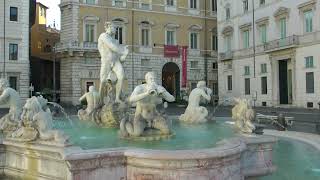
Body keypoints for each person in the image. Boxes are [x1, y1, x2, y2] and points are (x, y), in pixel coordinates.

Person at [121, 72, 175, 136]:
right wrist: (146, 93)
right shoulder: (140, 88)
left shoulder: (159, 88)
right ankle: (126, 123)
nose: (153, 80)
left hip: (154, 117)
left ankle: (149, 131)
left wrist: (163, 93)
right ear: (146, 80)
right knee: (136, 134)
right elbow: (131, 99)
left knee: (167, 131)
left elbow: (172, 99)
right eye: (151, 79)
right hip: (141, 117)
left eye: (154, 79)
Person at [98, 21, 129, 104]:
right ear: (109, 27)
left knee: (121, 77)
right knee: (103, 81)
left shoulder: (115, 40)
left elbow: (120, 57)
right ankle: (100, 101)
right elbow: (112, 47)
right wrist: (123, 51)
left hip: (115, 61)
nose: (116, 29)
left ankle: (117, 98)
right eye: (114, 28)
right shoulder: (103, 36)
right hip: (106, 61)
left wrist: (125, 54)